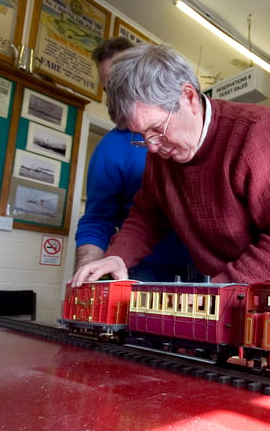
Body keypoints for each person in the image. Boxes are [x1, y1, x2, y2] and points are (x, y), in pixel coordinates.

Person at [71, 43, 270, 302]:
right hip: (232, 281)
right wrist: (118, 255)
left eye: (157, 129)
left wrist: (216, 291)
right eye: (140, 136)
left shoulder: (257, 132)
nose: (151, 146)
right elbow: (148, 216)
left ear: (188, 98)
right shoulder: (163, 154)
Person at [75, 37, 200, 282]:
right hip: (146, 268)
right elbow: (98, 219)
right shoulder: (110, 149)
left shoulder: (193, 125)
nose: (119, 95)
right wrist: (88, 276)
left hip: (208, 264)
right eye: (111, 88)